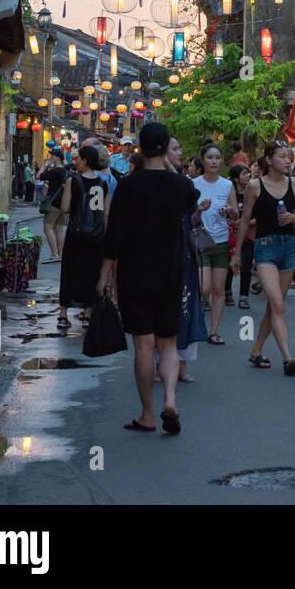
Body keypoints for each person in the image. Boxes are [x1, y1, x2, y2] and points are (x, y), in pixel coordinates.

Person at [99, 122, 199, 435]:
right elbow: (190, 194)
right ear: (165, 147)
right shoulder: (180, 186)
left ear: (140, 148)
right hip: (171, 271)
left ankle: (147, 414)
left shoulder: (128, 186)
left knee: (144, 345)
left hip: (135, 272)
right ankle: (170, 399)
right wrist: (169, 165)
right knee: (168, 344)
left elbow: (113, 236)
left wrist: (104, 275)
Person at [233, 141, 295, 375]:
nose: (288, 160)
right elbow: (245, 221)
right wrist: (236, 253)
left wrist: (293, 219)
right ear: (268, 160)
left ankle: (255, 350)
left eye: (289, 157)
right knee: (277, 304)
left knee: (275, 306)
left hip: (289, 248)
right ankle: (288, 357)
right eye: (282, 156)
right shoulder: (255, 186)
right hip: (264, 247)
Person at [165, 137, 209, 383]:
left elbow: (192, 219)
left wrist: (199, 212)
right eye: (175, 149)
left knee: (186, 304)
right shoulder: (159, 183)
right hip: (162, 254)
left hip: (184, 253)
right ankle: (164, 364)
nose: (180, 152)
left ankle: (180, 367)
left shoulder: (184, 185)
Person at [57, 145, 108, 330]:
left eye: (78, 158)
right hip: (96, 237)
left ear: (85, 161)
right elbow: (105, 214)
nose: (75, 161)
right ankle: (88, 312)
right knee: (92, 273)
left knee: (69, 272)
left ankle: (63, 313)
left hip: (75, 235)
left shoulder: (73, 180)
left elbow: (64, 208)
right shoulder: (104, 183)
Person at [194, 143, 239, 345]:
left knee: (218, 290)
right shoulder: (193, 184)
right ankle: (196, 321)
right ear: (203, 160)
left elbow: (235, 214)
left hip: (221, 240)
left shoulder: (227, 184)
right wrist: (200, 211)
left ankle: (213, 332)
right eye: (210, 157)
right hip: (201, 240)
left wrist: (229, 210)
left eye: (217, 158)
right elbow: (191, 219)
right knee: (204, 288)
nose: (214, 161)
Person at [226, 164, 253, 308]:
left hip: (249, 234)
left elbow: (259, 215)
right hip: (231, 234)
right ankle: (228, 291)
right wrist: (232, 221)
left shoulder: (253, 191)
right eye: (244, 174)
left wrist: (245, 222)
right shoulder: (230, 194)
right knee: (230, 263)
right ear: (236, 179)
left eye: (248, 173)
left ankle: (244, 296)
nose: (248, 176)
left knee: (246, 265)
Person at [39, 153, 69, 262]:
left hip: (53, 203)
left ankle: (54, 254)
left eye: (52, 156)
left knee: (48, 227)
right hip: (64, 203)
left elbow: (39, 176)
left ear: (57, 158)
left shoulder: (55, 171)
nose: (50, 158)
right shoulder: (66, 171)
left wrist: (45, 166)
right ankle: (60, 254)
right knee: (59, 229)